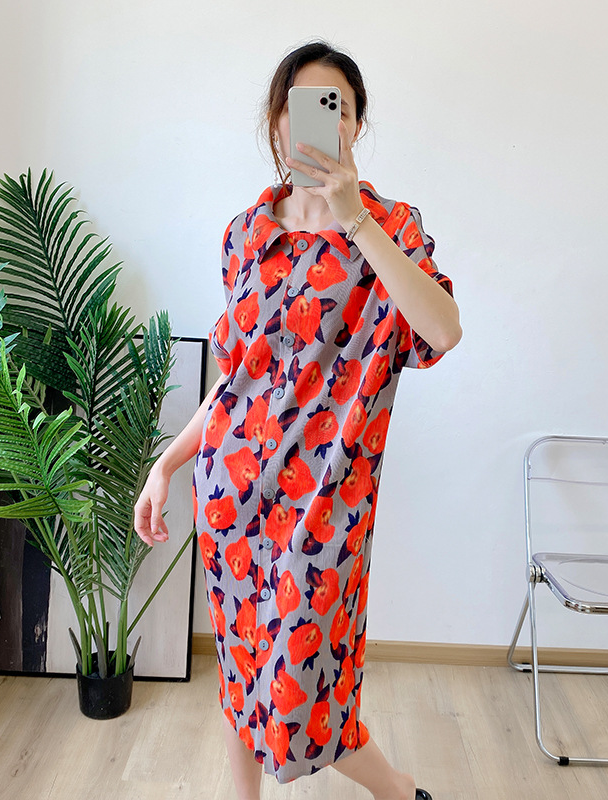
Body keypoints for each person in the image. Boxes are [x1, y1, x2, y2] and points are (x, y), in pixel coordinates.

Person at [134, 41, 462, 800]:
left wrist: (356, 222)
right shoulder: (247, 234)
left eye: (333, 106)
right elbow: (235, 381)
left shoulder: (391, 226)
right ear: (277, 122)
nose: (315, 120)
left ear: (355, 124)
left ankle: (395, 788)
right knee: (242, 665)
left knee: (304, 689)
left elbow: (443, 331)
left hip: (328, 506)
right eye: (298, 105)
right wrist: (167, 463)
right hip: (233, 495)